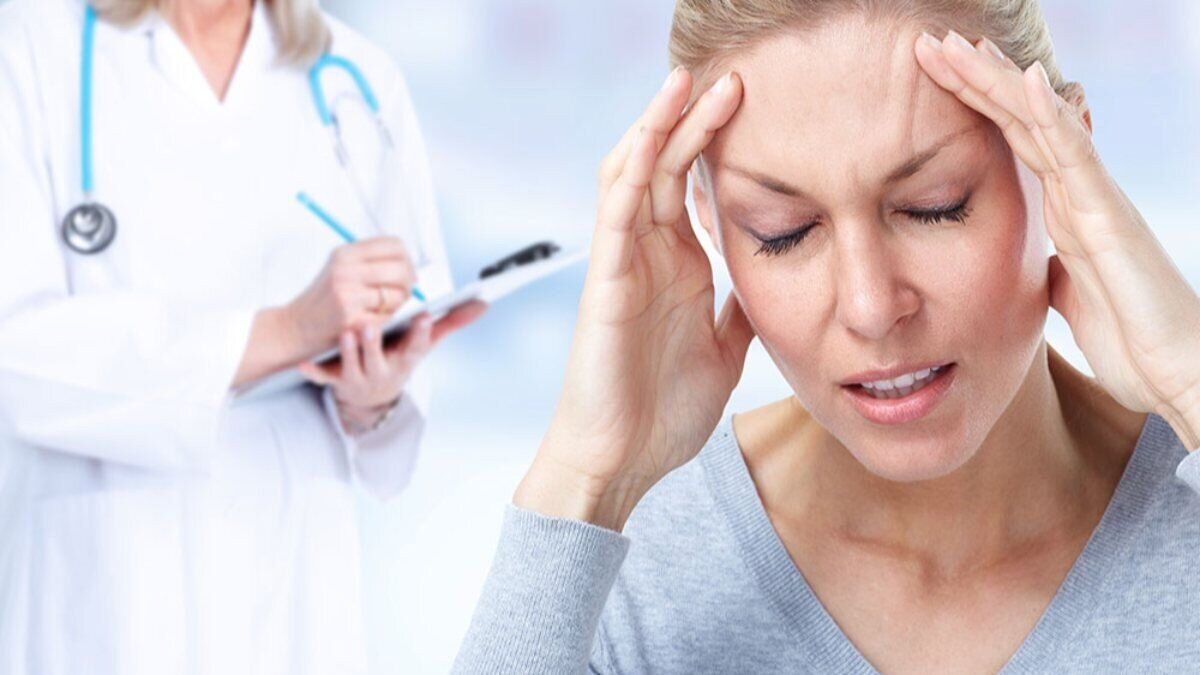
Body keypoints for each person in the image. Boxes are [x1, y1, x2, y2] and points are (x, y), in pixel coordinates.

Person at [452, 0, 1200, 672]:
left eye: (933, 205)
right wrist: (584, 481)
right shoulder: (622, 575)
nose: (871, 307)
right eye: (783, 233)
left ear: (1065, 161)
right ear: (710, 221)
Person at [0, 0, 484, 671]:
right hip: (104, 600)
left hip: (295, 596)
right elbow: (19, 357)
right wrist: (287, 330)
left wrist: (373, 394)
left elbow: (392, 418)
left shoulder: (357, 77)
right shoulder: (28, 51)